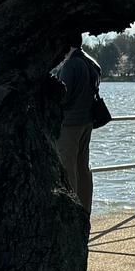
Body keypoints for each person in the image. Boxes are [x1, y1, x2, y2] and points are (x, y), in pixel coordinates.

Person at [54, 39, 103, 207]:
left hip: (69, 123)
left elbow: (63, 94)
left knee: (68, 167)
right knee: (83, 166)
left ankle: (71, 207)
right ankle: (85, 207)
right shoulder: (91, 62)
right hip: (87, 120)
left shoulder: (71, 65)